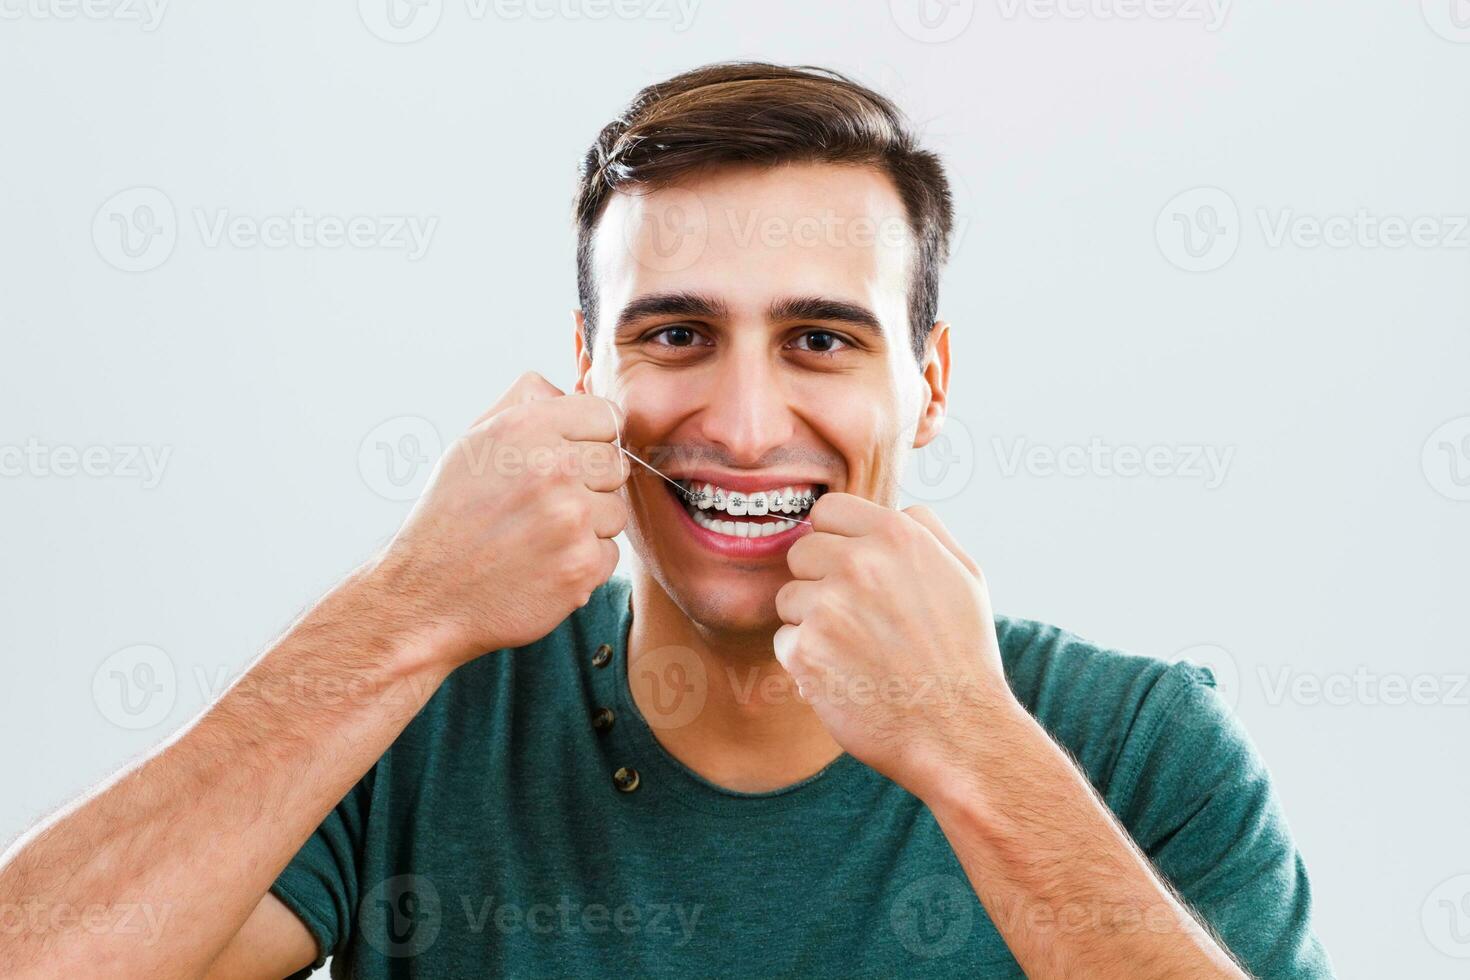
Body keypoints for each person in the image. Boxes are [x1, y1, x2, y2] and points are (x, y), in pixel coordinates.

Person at [0, 62, 1334, 979]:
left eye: (818, 338)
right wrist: (404, 611)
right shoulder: (419, 718)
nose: (745, 427)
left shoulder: (1140, 746)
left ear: (925, 385)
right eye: (677, 333)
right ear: (587, 371)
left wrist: (970, 747)